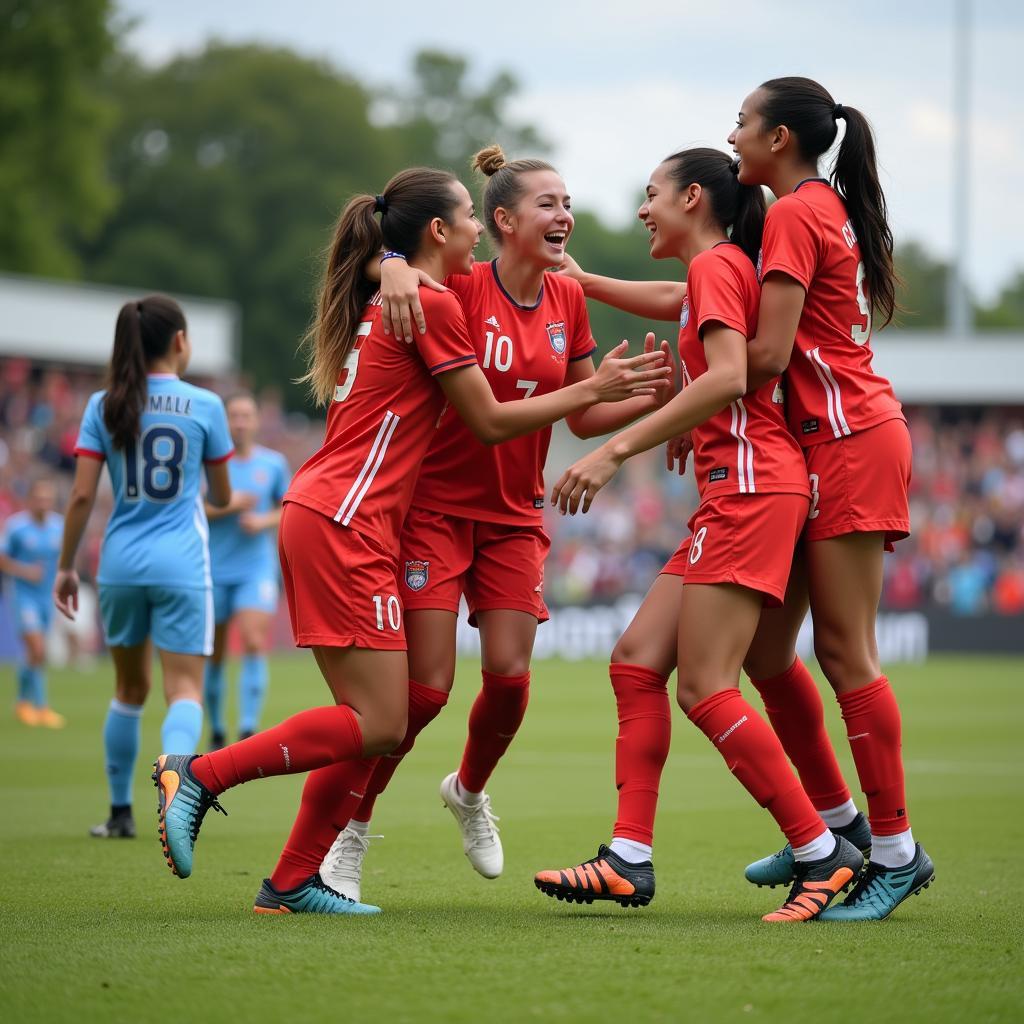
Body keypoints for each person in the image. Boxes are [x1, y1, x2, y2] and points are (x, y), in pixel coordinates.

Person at [151, 165, 669, 915]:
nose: (563, 215)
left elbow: (380, 256)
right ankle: (200, 776)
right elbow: (488, 419)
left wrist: (391, 264)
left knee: (384, 719)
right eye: (468, 218)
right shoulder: (437, 298)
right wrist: (594, 390)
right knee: (385, 717)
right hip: (352, 517)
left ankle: (293, 879)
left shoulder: (427, 290)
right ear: (466, 227)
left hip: (354, 513)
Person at [318, 146, 673, 904]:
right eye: (548, 203)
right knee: (425, 692)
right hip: (433, 514)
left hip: (513, 518)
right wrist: (392, 263)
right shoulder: (459, 283)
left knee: (510, 682)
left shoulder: (567, 300)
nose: (564, 216)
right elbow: (404, 262)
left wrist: (637, 394)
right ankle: (350, 831)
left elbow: (583, 412)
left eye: (567, 202)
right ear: (504, 221)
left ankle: (467, 793)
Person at [533, 146, 865, 923]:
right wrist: (582, 282)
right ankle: (628, 858)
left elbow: (725, 375)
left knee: (706, 686)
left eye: (650, 196)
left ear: (691, 197)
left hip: (750, 489)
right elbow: (671, 299)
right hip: (739, 491)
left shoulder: (719, 269)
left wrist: (616, 447)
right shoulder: (718, 269)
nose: (643, 209)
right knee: (635, 662)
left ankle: (823, 854)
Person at [726, 76, 933, 920]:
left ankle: (896, 852)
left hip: (849, 441)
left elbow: (768, 358)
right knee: (768, 654)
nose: (732, 133)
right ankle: (838, 830)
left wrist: (691, 384)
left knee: (846, 653)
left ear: (779, 139)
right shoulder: (817, 208)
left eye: (742, 121)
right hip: (829, 444)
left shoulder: (794, 213)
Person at [54, 294, 233, 840]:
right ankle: (177, 793)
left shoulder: (103, 405)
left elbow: (82, 497)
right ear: (180, 341)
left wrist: (66, 567)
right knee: (183, 690)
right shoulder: (205, 406)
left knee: (128, 691)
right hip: (181, 565)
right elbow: (222, 495)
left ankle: (118, 813)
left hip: (120, 564)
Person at [203, 393, 290, 747]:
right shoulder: (208, 465)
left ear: (255, 422)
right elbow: (190, 509)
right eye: (233, 416)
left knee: (254, 642)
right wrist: (231, 506)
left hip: (255, 569)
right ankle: (218, 727)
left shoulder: (272, 464)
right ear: (224, 423)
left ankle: (248, 728)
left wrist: (264, 520)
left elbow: (288, 508)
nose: (239, 422)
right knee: (215, 652)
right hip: (213, 569)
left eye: (245, 416)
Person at [1, 476, 65, 727]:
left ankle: (21, 702)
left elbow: (64, 559)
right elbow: (3, 559)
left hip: (46, 597)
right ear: (30, 500)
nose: (43, 502)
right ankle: (41, 707)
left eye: (48, 498)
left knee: (35, 653)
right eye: (39, 497)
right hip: (22, 595)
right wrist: (26, 571)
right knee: (37, 649)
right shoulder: (16, 527)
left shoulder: (58, 527)